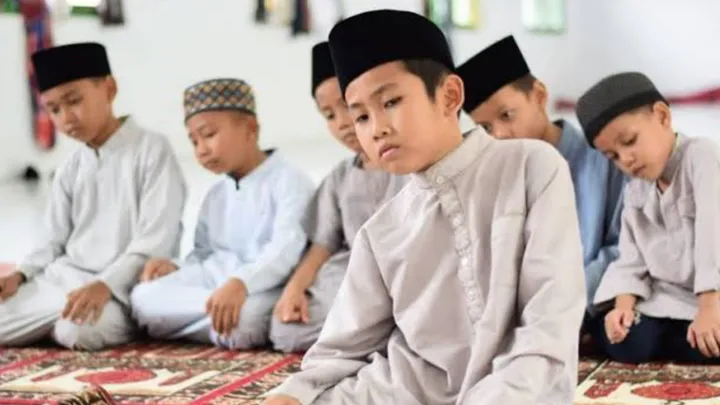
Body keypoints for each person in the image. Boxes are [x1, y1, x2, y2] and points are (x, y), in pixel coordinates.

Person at [263, 9, 585, 405]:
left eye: (391, 101)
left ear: (449, 96)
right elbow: (338, 352)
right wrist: (293, 395)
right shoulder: (380, 232)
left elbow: (548, 325)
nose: (376, 128)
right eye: (360, 116)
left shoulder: (531, 167)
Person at [0, 42, 186, 351]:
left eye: (74, 101)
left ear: (109, 89)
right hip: (64, 281)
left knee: (77, 331)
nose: (66, 118)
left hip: (122, 289)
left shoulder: (152, 150)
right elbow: (51, 243)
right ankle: (47, 321)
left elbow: (155, 242)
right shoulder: (70, 167)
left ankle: (47, 323)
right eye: (54, 109)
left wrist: (105, 285)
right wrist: (20, 276)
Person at [130, 78, 315, 350]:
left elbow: (285, 251)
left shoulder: (290, 182)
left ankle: (209, 324)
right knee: (142, 297)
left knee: (246, 318)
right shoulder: (216, 194)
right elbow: (202, 255)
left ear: (250, 129)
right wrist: (176, 267)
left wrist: (241, 283)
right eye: (194, 141)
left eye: (208, 135)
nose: (201, 150)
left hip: (262, 288)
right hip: (215, 285)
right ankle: (218, 323)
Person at [456, 35, 625, 320]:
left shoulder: (604, 159)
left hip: (591, 307)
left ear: (539, 95)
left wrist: (562, 306)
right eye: (486, 127)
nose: (500, 134)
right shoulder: (494, 179)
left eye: (507, 115)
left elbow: (624, 248)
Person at [270, 42, 409, 353]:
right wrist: (294, 288)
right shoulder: (341, 176)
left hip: (401, 273)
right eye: (329, 115)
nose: (342, 123)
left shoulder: (408, 165)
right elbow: (324, 242)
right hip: (351, 273)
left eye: (347, 107)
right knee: (285, 331)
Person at [580, 72, 720, 364]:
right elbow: (631, 260)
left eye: (629, 141)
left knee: (710, 337)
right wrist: (623, 306)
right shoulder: (636, 189)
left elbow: (713, 236)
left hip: (712, 298)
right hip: (666, 301)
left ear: (662, 116)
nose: (625, 159)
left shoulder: (701, 156)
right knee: (626, 341)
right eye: (613, 156)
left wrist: (709, 307)